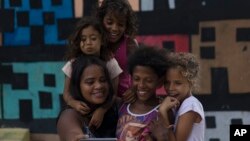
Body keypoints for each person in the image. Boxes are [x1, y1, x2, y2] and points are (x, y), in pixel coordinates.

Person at [62, 16, 122, 128]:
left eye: (93, 38)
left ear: (102, 40)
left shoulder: (110, 63)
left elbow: (113, 94)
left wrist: (102, 110)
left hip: (106, 113)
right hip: (81, 111)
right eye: (83, 39)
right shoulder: (72, 64)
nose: (88, 43)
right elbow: (66, 93)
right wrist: (73, 103)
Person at [57, 55, 119, 141]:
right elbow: (73, 134)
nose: (99, 86)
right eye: (90, 82)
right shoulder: (69, 115)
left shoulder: (118, 106)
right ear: (78, 86)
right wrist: (76, 137)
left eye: (103, 80)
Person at [116, 45, 169, 141]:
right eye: (137, 79)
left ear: (159, 81)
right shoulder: (123, 104)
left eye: (148, 80)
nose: (141, 85)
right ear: (131, 78)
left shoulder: (164, 111)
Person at [96, 0, 139, 97]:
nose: (115, 28)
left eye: (120, 24)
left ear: (126, 26)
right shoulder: (94, 42)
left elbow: (140, 72)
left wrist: (133, 89)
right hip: (100, 97)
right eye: (110, 22)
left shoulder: (130, 44)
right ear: (101, 20)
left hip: (125, 99)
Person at [159, 52, 205, 141]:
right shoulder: (179, 105)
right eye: (167, 83)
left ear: (191, 82)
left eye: (178, 83)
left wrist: (163, 112)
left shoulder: (190, 105)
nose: (170, 88)